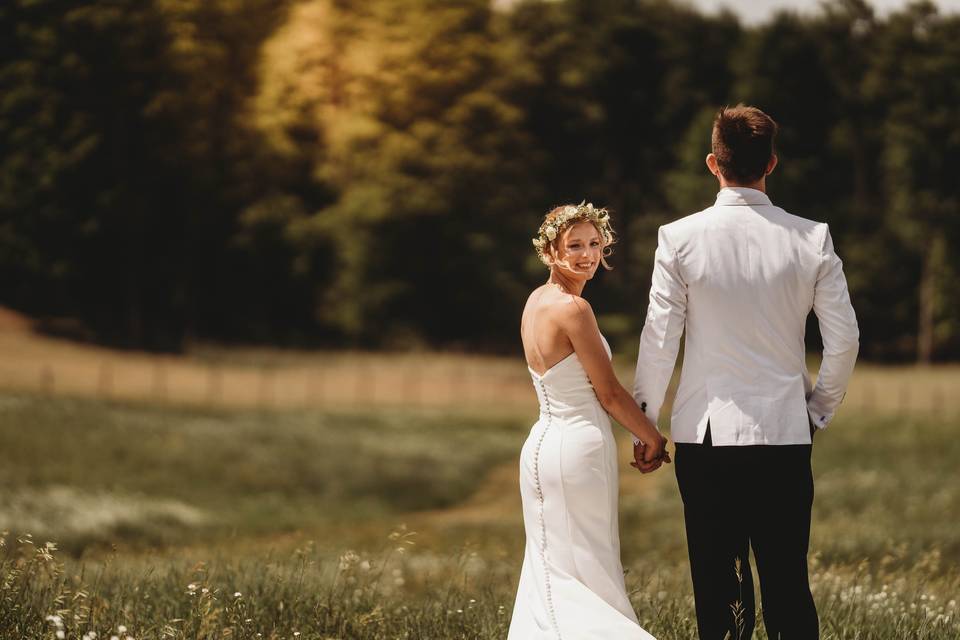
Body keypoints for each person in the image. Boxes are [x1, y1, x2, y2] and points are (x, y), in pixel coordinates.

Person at [632, 105, 859, 639]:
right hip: (784, 430)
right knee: (787, 580)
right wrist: (817, 412)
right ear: (771, 164)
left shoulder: (678, 238)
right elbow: (844, 339)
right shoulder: (812, 237)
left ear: (714, 163)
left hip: (707, 436)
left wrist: (646, 424)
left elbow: (660, 339)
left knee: (720, 589)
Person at [508, 202, 667, 639]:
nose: (587, 255)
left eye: (594, 244)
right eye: (574, 245)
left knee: (550, 566)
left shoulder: (535, 301)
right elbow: (610, 393)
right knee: (588, 566)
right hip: (578, 447)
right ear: (549, 251)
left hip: (541, 446)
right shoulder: (574, 310)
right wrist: (651, 437)